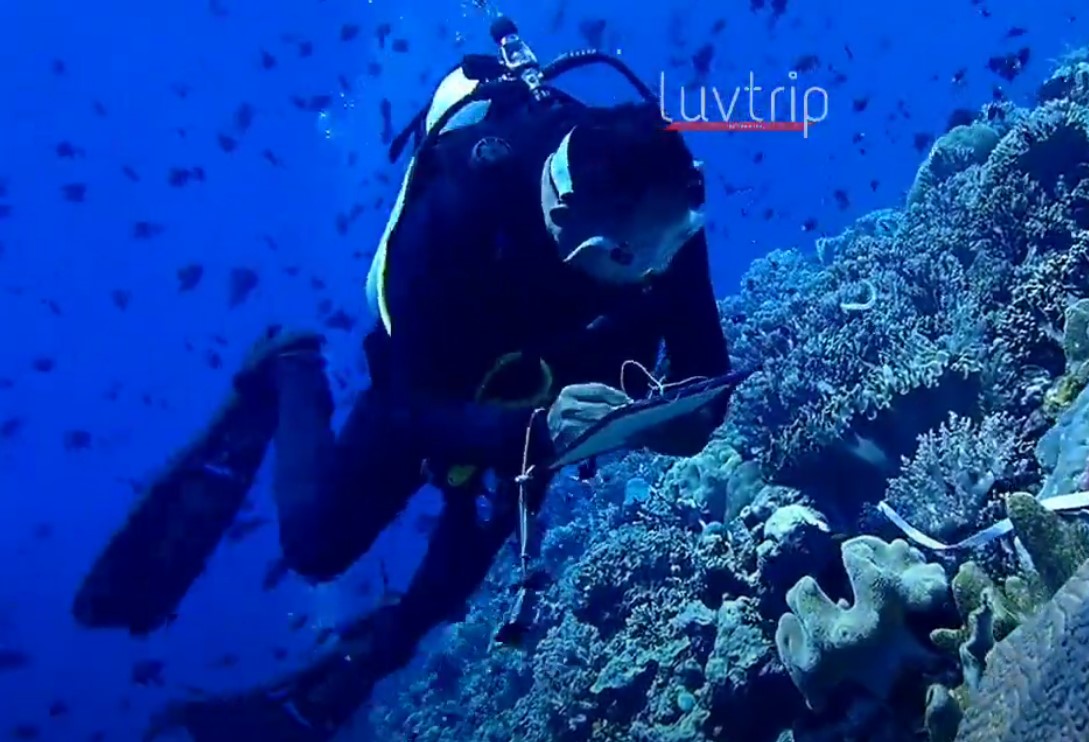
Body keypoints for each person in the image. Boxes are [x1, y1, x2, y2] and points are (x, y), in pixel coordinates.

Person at [140, 18, 734, 741]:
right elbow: (409, 407)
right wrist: (537, 433)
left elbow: (707, 367)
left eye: (673, 247)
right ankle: (291, 370)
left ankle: (346, 678)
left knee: (449, 584)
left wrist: (681, 421)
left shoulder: (667, 210)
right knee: (316, 546)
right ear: (576, 233)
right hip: (437, 386)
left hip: (542, 401)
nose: (659, 273)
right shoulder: (458, 203)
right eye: (638, 259)